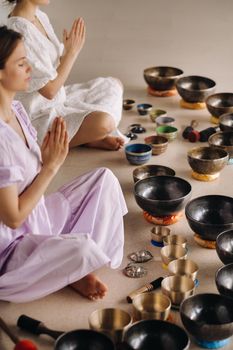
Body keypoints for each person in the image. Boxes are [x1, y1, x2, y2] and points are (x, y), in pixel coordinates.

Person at [0, 25, 127, 303]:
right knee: (80, 249)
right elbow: (13, 218)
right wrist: (50, 167)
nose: (30, 67)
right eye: (21, 63)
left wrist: (47, 158)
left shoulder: (17, 110)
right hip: (12, 249)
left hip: (40, 217)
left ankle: (66, 269)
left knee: (103, 181)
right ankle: (70, 268)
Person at [6, 0, 126, 150]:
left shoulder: (39, 16)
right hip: (39, 116)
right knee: (105, 123)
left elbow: (55, 68)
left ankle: (84, 135)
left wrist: (68, 51)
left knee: (113, 84)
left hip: (61, 100)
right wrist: (72, 52)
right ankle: (82, 137)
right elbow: (49, 91)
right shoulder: (19, 30)